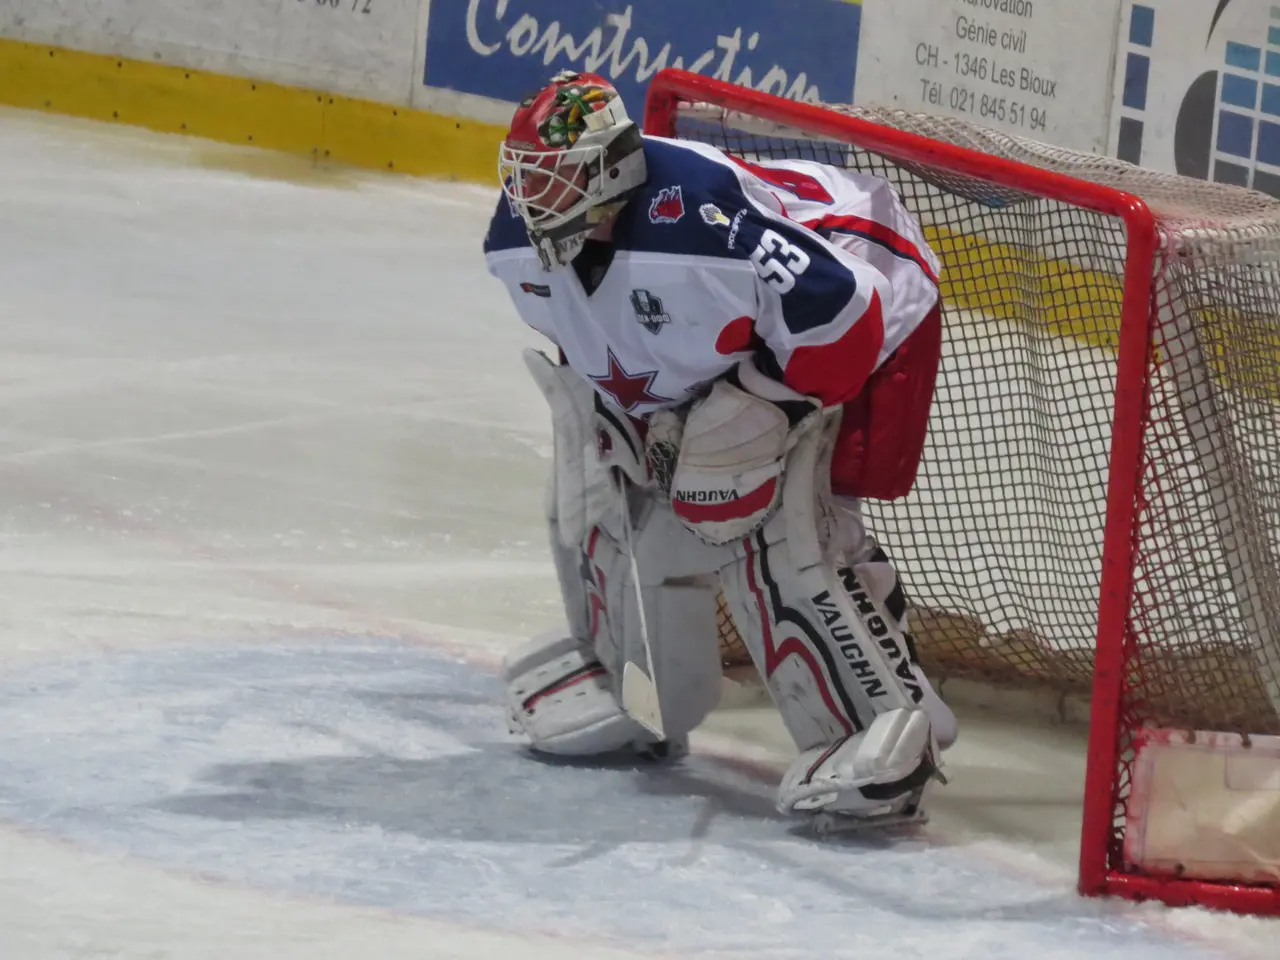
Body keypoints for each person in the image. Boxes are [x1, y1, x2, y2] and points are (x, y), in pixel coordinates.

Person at [483, 70, 957, 830]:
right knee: (602, 464)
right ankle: (626, 668)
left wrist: (760, 406)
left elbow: (844, 314)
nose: (530, 201)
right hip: (763, 326)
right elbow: (597, 352)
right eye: (525, 178)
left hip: (871, 291)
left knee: (770, 505)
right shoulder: (517, 246)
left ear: (608, 170)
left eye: (555, 178)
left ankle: (892, 713)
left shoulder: (704, 224)